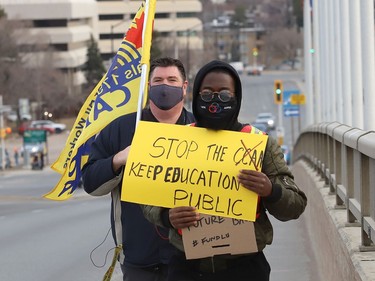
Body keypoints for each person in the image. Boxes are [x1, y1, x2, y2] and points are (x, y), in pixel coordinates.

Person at [142, 60, 307, 281]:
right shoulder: (176, 142)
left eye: (224, 94)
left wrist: (270, 190)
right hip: (186, 268)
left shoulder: (258, 143)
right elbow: (147, 197)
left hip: (245, 269)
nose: (215, 101)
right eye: (207, 93)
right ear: (196, 95)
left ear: (236, 97)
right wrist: (166, 215)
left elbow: (295, 206)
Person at [82, 57, 195, 281]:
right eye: (159, 80)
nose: (165, 86)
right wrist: (118, 160)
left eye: (172, 80)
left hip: (191, 259)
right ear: (148, 86)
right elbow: (91, 184)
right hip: (139, 261)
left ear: (184, 87)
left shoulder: (201, 128)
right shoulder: (121, 129)